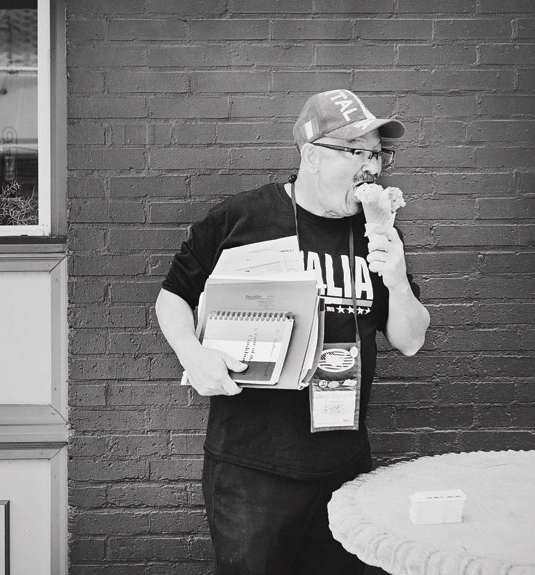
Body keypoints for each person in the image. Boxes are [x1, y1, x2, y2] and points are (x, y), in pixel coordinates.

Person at [155, 89, 430, 574]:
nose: (372, 168)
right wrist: (192, 355)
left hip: (345, 465)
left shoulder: (379, 233)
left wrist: (397, 275)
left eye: (377, 154)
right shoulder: (241, 218)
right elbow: (173, 295)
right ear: (311, 155)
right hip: (250, 471)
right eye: (357, 153)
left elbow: (410, 339)